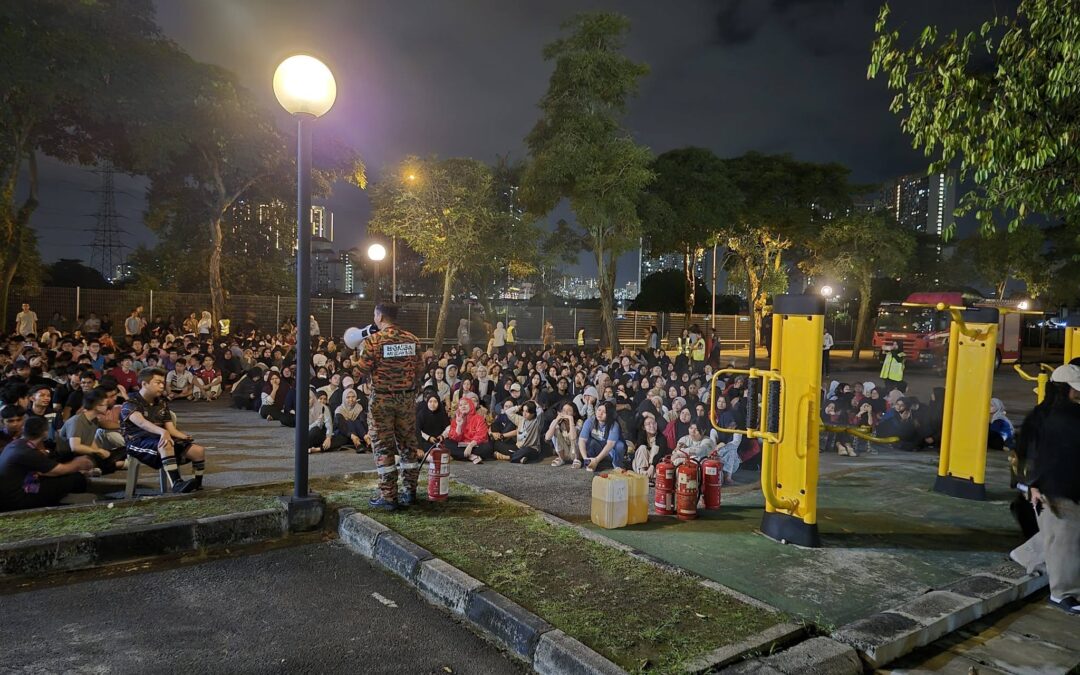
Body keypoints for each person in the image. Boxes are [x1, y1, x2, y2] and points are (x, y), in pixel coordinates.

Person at [353, 303, 427, 510]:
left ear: (379, 316)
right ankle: (410, 491)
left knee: (383, 446)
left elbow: (360, 371)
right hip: (406, 401)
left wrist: (354, 355)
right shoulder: (412, 340)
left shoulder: (374, 341)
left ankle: (388, 496)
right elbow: (420, 369)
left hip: (382, 402)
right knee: (408, 445)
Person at [1025, 364, 1080, 615]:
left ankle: (1030, 561)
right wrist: (1034, 485)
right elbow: (1038, 454)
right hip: (1056, 487)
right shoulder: (1054, 417)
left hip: (1062, 484)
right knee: (1064, 541)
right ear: (1065, 389)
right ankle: (1063, 594)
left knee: (1057, 538)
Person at [120, 367, 207, 494]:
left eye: (163, 382)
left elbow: (170, 427)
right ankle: (176, 484)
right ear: (144, 384)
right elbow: (142, 423)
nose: (162, 386)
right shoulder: (131, 402)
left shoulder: (161, 402)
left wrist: (183, 436)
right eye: (158, 382)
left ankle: (197, 485)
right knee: (166, 444)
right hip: (137, 441)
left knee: (198, 450)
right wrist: (163, 432)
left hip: (158, 439)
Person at [0, 417, 93, 512]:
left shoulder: (16, 444)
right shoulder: (27, 452)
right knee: (73, 478)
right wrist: (78, 463)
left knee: (55, 477)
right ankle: (92, 499)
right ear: (45, 433)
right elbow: (59, 470)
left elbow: (43, 469)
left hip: (10, 494)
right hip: (18, 499)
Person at [57, 389, 124, 474]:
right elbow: (75, 447)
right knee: (96, 459)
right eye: (105, 404)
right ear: (97, 406)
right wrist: (98, 451)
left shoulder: (94, 420)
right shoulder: (77, 420)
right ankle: (114, 465)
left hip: (83, 454)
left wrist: (100, 453)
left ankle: (108, 465)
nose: (107, 407)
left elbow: (90, 442)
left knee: (123, 451)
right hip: (69, 456)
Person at [577, 401, 625, 471]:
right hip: (597, 448)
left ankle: (617, 465)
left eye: (604, 412)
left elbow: (610, 444)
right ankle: (590, 462)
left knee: (620, 445)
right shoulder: (590, 421)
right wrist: (585, 459)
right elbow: (582, 440)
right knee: (588, 441)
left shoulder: (614, 425)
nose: (600, 413)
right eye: (599, 410)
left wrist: (597, 460)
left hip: (609, 452)